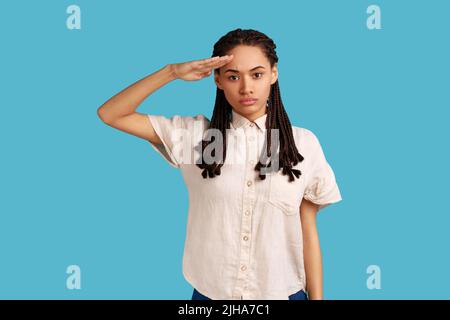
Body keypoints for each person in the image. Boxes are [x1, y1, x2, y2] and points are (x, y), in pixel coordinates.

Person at [97, 28, 342, 300]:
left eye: (257, 74)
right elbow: (111, 114)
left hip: (284, 293)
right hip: (211, 296)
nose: (246, 87)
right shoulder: (194, 136)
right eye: (233, 76)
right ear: (217, 79)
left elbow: (308, 230)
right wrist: (172, 72)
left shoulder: (303, 144)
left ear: (274, 74)